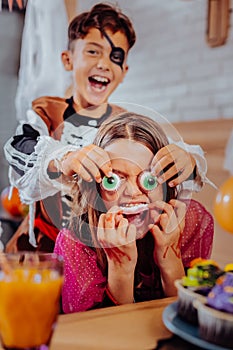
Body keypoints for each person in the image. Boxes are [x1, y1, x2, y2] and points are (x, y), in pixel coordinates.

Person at [4, 2, 208, 252]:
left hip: (106, 261)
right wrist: (63, 159)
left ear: (123, 71)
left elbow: (163, 167)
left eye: (115, 57)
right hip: (45, 254)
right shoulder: (46, 112)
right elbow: (19, 150)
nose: (103, 64)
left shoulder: (128, 125)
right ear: (68, 60)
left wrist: (188, 161)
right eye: (93, 51)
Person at [53, 112, 214, 313]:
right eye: (113, 181)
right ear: (96, 191)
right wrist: (121, 269)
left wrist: (171, 258)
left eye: (149, 180)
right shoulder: (74, 242)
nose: (132, 193)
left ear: (167, 185)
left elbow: (189, 319)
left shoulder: (192, 220)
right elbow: (97, 335)